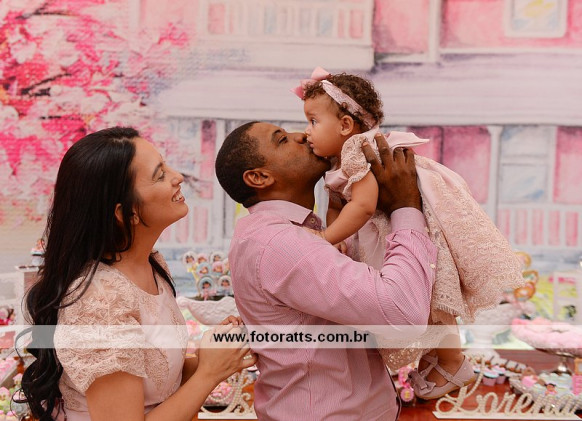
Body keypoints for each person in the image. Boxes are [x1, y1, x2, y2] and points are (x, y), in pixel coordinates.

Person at [292, 67, 525, 399]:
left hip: (408, 226)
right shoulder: (336, 161)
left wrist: (325, 240)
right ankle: (436, 358)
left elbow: (363, 206)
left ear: (345, 125)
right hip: (386, 231)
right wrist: (336, 236)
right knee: (418, 297)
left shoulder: (358, 149)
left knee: (434, 294)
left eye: (313, 121)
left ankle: (454, 362)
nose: (307, 131)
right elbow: (336, 205)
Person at [20, 127, 256, 421]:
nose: (177, 177)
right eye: (160, 175)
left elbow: (157, 380)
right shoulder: (101, 301)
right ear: (125, 213)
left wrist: (212, 356)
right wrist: (208, 373)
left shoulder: (151, 264)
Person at [215, 121, 437, 420]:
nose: (301, 135)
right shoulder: (281, 243)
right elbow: (402, 311)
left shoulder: (281, 234)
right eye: (282, 139)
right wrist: (405, 206)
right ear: (259, 177)